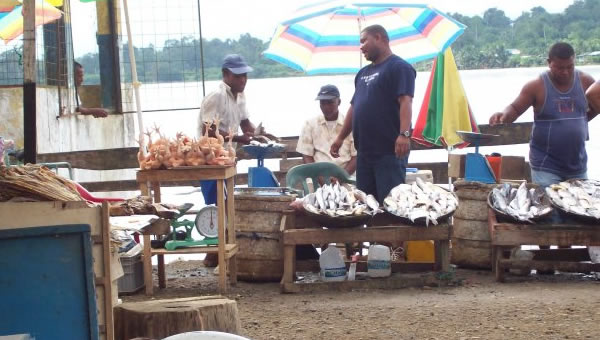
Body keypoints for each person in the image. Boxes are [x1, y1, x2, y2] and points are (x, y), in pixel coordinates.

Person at [489, 42, 596, 187]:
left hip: (578, 165)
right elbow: (514, 108)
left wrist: (582, 121)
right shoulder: (536, 86)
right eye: (559, 67)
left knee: (578, 207)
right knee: (549, 207)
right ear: (549, 63)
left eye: (570, 67)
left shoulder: (586, 82)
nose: (565, 72)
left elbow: (597, 103)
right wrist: (503, 115)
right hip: (546, 166)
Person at [330, 25, 415, 203]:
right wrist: (340, 138)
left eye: (364, 41)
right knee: (366, 205)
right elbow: (355, 107)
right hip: (365, 154)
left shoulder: (399, 67)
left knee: (389, 205)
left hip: (389, 153)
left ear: (379, 37)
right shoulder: (362, 74)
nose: (361, 47)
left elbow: (405, 101)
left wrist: (404, 134)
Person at [197, 54, 267, 267]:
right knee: (217, 206)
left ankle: (216, 255)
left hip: (229, 160)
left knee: (227, 206)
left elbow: (246, 123)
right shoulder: (216, 96)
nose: (242, 80)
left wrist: (258, 134)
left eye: (244, 76)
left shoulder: (241, 96)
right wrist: (238, 137)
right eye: (238, 76)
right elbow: (207, 130)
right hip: (211, 160)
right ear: (226, 75)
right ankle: (214, 254)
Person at [296, 84, 357, 175]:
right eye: (322, 103)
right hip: (319, 178)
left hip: (347, 178)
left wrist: (341, 178)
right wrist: (320, 178)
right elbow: (307, 156)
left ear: (339, 102)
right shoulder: (310, 124)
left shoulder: (350, 124)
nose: (326, 107)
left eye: (330, 102)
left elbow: (356, 157)